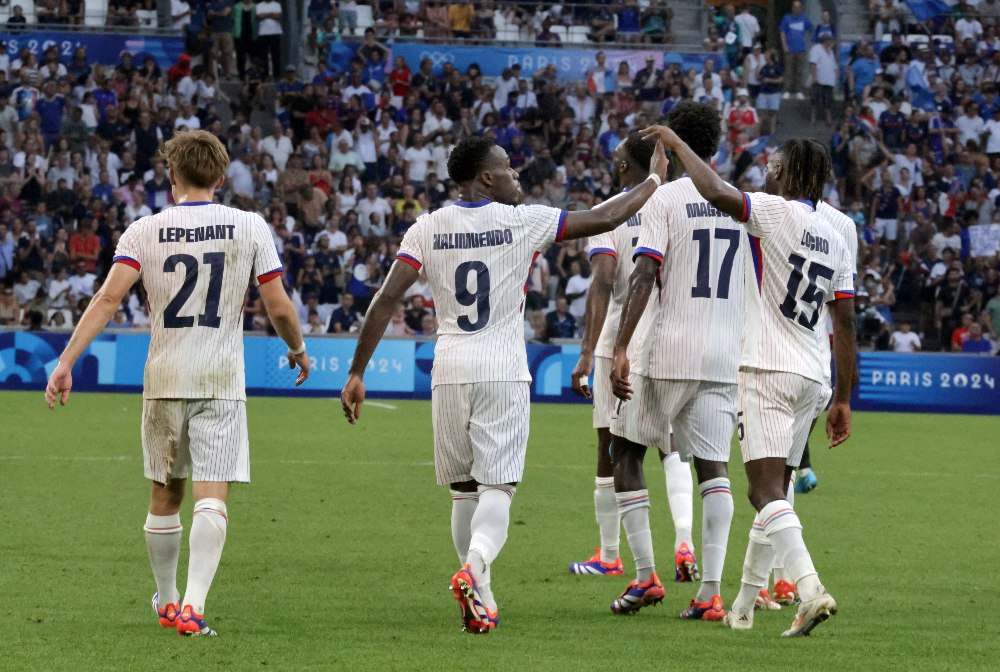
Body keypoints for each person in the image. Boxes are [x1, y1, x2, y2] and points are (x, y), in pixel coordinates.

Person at [340, 135, 668, 634]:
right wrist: (653, 180)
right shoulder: (522, 220)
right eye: (508, 168)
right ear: (486, 178)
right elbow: (604, 219)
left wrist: (358, 371)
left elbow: (385, 299)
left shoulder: (427, 227)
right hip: (501, 366)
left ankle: (483, 594)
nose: (517, 175)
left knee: (463, 490)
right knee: (499, 486)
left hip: (448, 368)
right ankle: (474, 571)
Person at [44, 130, 311, 637]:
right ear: (221, 175)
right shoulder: (249, 226)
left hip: (164, 375)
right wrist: (297, 350)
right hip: (220, 378)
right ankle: (192, 605)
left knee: (165, 493)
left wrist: (65, 362)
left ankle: (167, 601)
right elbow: (277, 304)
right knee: (213, 495)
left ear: (172, 179)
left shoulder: (144, 230)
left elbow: (106, 300)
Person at [639, 126, 856, 637]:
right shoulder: (840, 231)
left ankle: (808, 589)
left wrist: (675, 142)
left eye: (771, 168)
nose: (766, 174)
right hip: (814, 375)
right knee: (776, 489)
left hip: (763, 369)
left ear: (783, 173)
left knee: (762, 492)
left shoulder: (773, 210)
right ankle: (742, 604)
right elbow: (844, 323)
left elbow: (714, 191)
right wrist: (844, 398)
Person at [608, 102, 738, 620]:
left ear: (669, 144)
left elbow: (644, 274)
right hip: (723, 354)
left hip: (669, 350)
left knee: (626, 452)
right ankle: (709, 592)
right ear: (718, 145)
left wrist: (620, 346)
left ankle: (645, 578)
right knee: (714, 469)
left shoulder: (665, 199)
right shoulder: (741, 201)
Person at [567, 134, 676, 581]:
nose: (615, 168)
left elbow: (604, 279)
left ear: (631, 167)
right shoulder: (680, 203)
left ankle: (611, 555)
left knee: (610, 445)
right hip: (671, 333)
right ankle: (686, 547)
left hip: (622, 335)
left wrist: (589, 352)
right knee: (676, 451)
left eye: (618, 162)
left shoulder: (611, 210)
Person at [779, 0, 812, 100]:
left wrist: (805, 39)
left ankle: (798, 91)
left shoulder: (804, 18)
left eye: (799, 7)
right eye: (795, 7)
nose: (797, 9)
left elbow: (809, 29)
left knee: (799, 71)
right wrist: (784, 45)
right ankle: (787, 91)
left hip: (800, 49)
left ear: (801, 8)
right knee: (788, 70)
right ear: (792, 8)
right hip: (789, 49)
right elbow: (782, 32)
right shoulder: (787, 18)